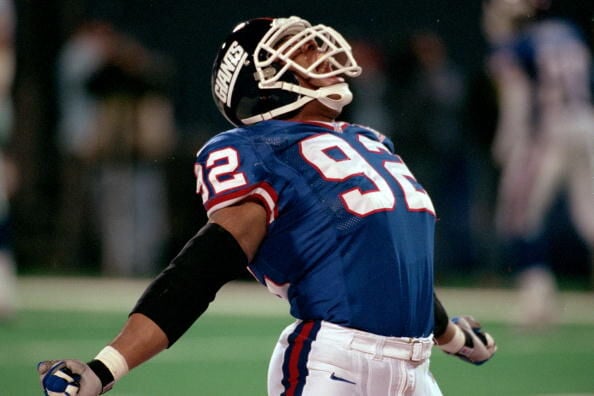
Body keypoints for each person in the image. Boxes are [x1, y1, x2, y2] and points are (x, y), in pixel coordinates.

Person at [38, 16, 496, 395]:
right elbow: (204, 265)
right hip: (335, 367)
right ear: (265, 84)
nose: (321, 52)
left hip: (416, 371)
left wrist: (451, 336)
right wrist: (105, 368)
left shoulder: (370, 140)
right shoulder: (258, 149)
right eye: (301, 52)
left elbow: (389, 262)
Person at [483, 0, 594, 326]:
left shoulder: (516, 45)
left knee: (518, 216)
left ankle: (537, 299)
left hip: (547, 132)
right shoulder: (568, 32)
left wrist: (506, 143)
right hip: (586, 124)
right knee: (589, 217)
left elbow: (518, 99)